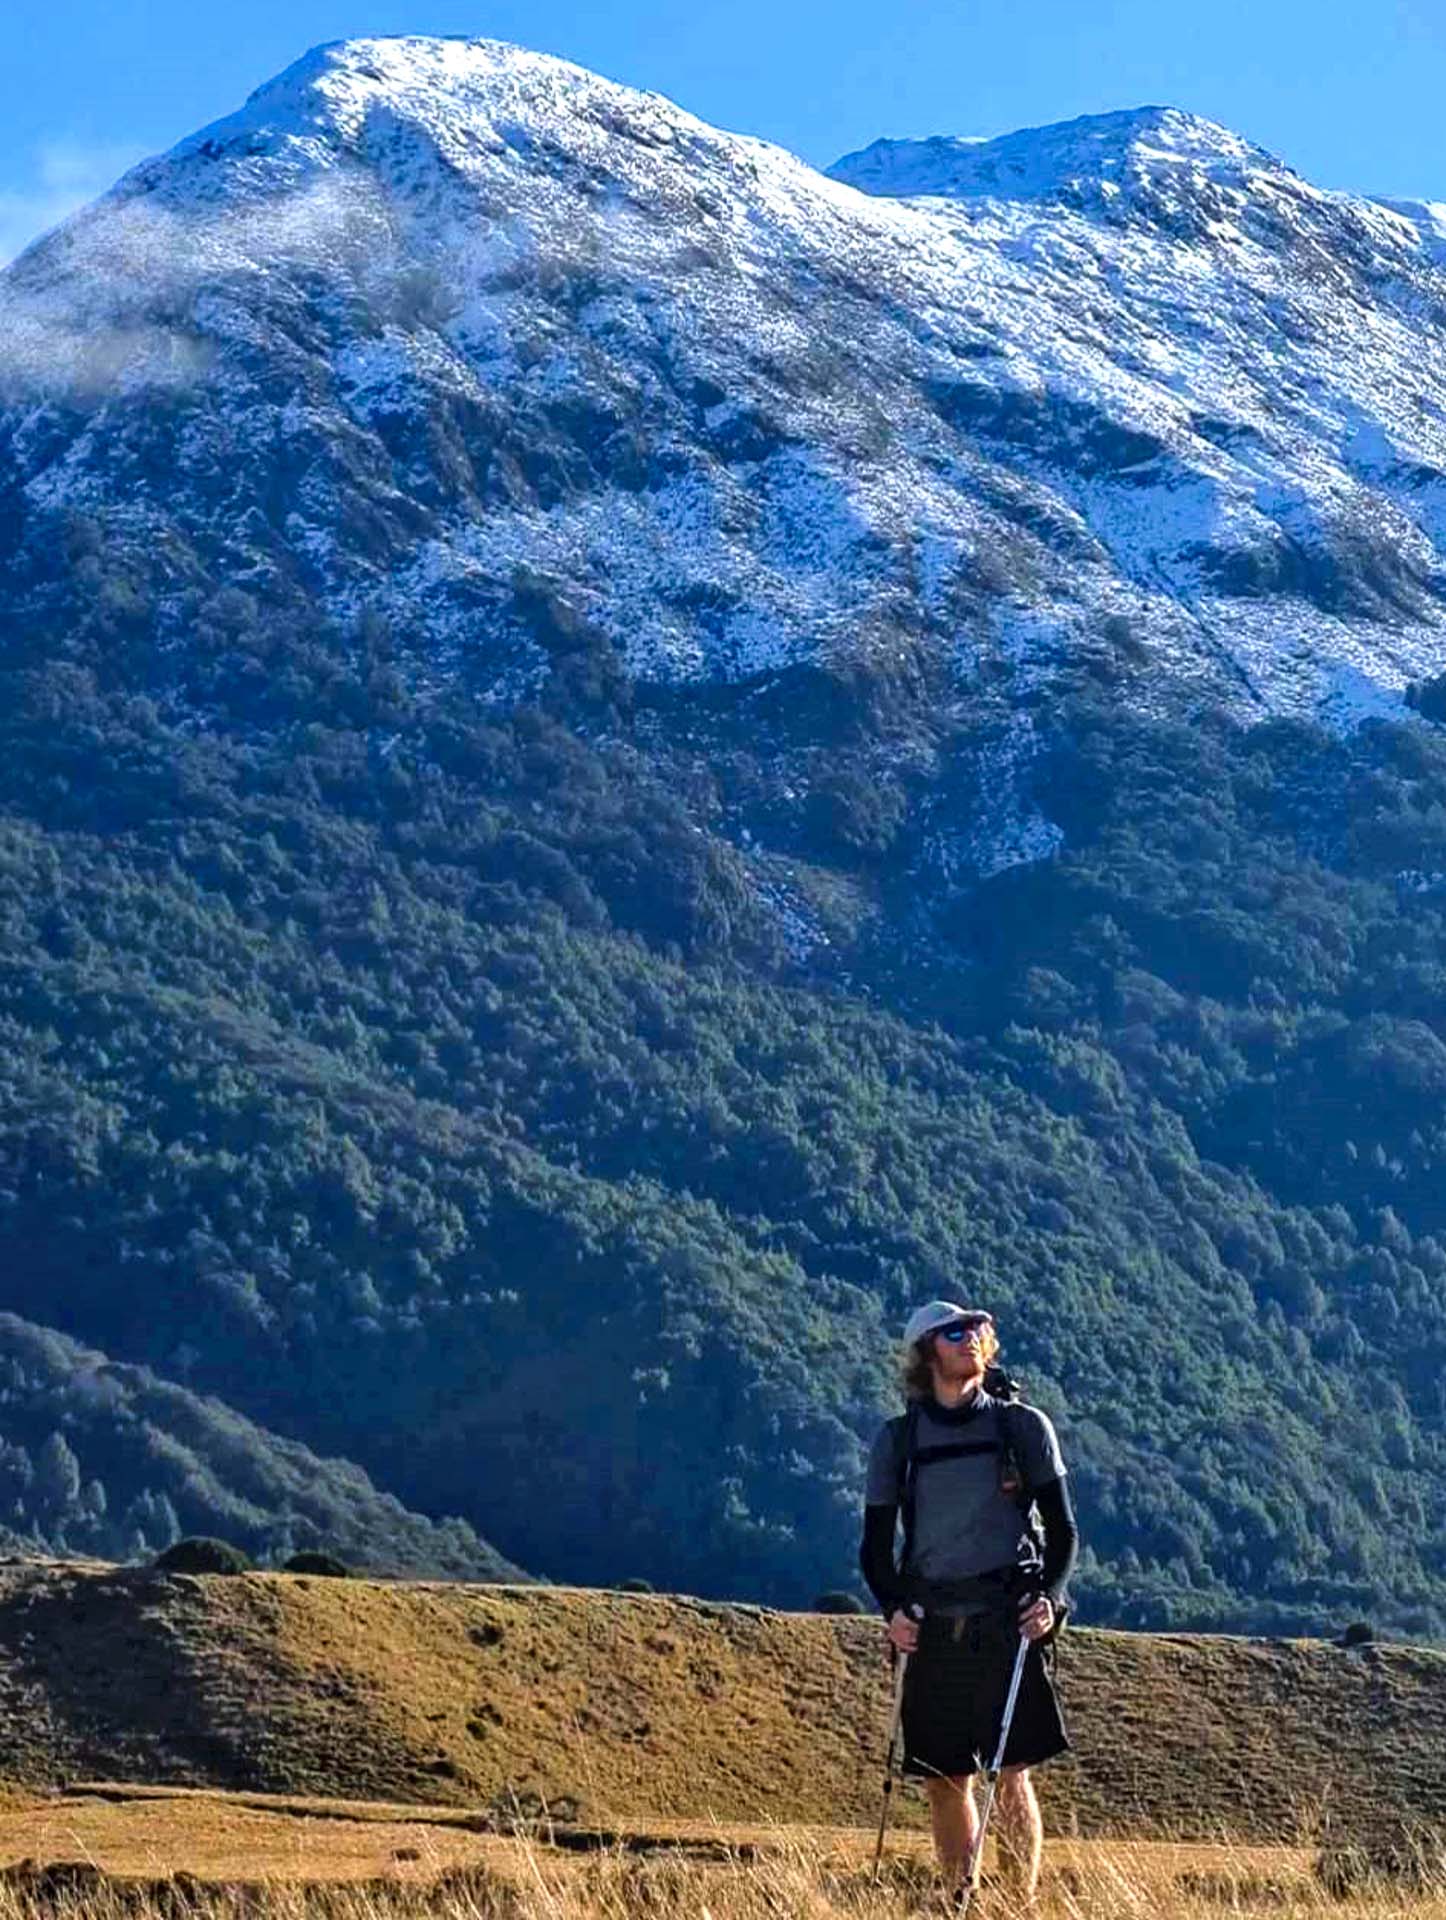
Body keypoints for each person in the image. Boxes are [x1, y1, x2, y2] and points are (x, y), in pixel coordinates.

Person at [860, 1301, 1079, 1903]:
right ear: (926, 1352)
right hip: (933, 1623)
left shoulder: (1022, 1428)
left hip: (1006, 1620)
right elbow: (875, 1548)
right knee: (944, 1779)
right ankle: (961, 1898)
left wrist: (1049, 1599)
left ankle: (1017, 1904)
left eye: (978, 1329)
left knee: (1012, 1774)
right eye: (954, 1332)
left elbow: (1063, 1532)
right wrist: (893, 1611)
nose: (972, 1339)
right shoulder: (898, 1442)